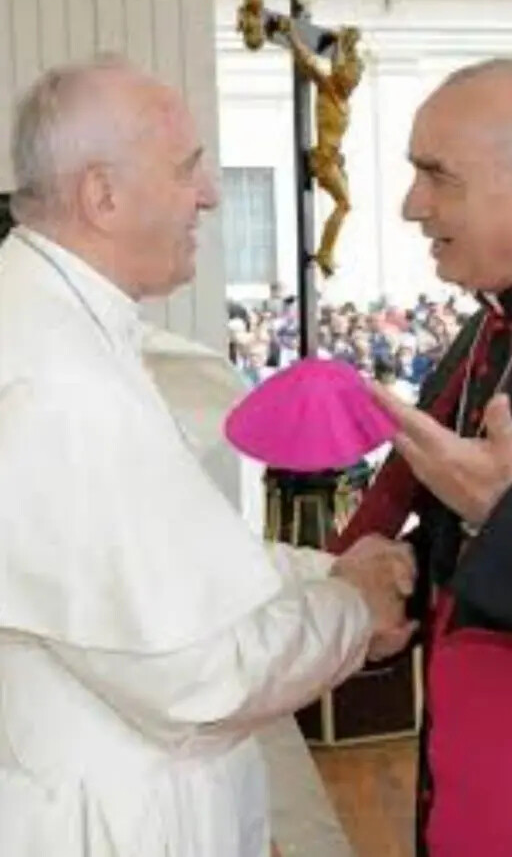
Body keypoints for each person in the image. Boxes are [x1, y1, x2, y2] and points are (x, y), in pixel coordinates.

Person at [0, 55, 417, 857]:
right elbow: (200, 677)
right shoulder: (57, 382)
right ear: (102, 195)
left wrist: (323, 575)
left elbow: (172, 561)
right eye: (186, 167)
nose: (211, 194)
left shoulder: (66, 330)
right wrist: (355, 609)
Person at [330, 57, 512, 856]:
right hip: (470, 751)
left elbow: (508, 514)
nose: (413, 205)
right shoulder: (490, 322)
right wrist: (402, 580)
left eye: (436, 176)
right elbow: (471, 528)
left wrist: (500, 512)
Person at [278, 17, 363, 276]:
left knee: (345, 203)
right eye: (350, 80)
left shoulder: (343, 101)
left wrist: (344, 46)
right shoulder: (328, 89)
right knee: (344, 203)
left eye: (354, 81)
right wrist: (291, 34)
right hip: (322, 159)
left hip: (332, 158)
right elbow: (306, 60)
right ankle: (325, 251)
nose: (352, 85)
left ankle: (327, 251)